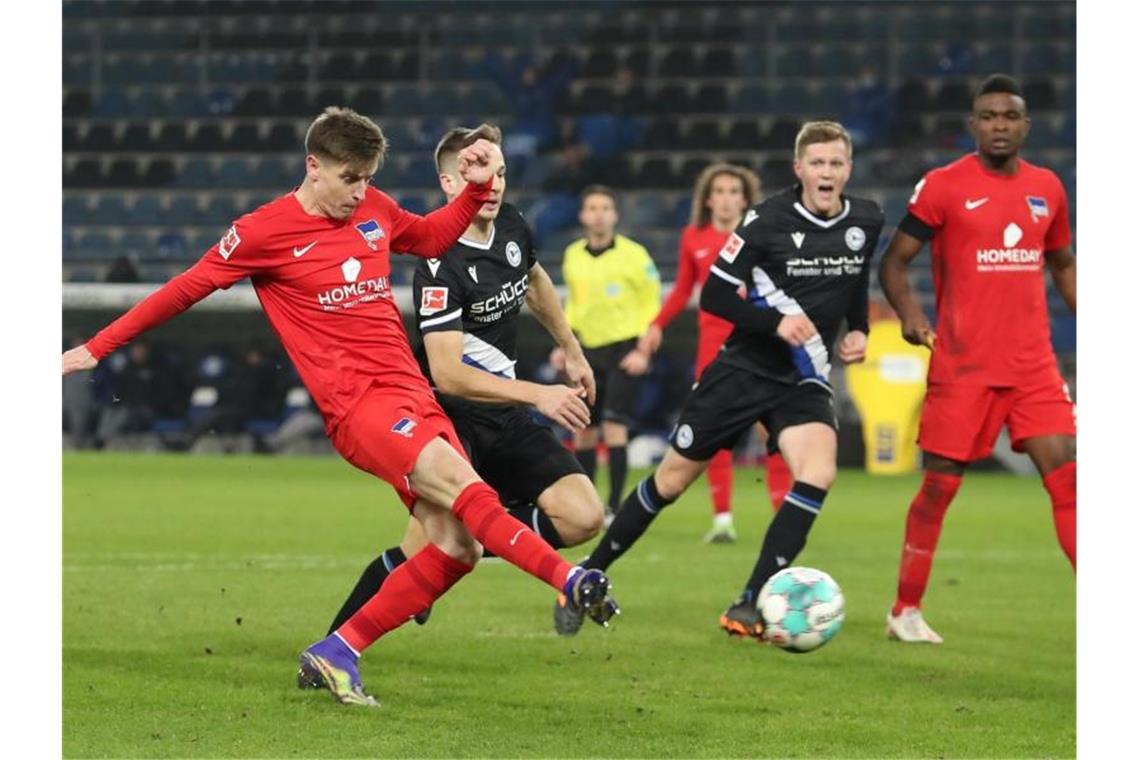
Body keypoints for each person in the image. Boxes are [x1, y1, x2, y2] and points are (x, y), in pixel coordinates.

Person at [61, 107, 619, 707]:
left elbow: (431, 237)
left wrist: (477, 187)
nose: (360, 192)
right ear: (314, 166)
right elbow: (181, 290)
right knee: (468, 488)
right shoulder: (261, 232)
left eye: (367, 178)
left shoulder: (374, 208)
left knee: (459, 547)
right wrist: (97, 347)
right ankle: (571, 578)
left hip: (413, 393)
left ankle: (337, 650)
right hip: (361, 408)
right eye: (350, 178)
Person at [553, 121, 883, 639]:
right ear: (799, 169)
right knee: (670, 483)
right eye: (816, 163)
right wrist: (776, 322)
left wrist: (859, 328)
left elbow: (856, 279)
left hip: (802, 375)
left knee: (817, 472)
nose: (827, 172)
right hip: (742, 370)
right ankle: (584, 576)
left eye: (836, 163)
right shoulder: (764, 221)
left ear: (848, 169)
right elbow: (715, 297)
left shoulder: (866, 218)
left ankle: (750, 603)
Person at [321, 123, 607, 637]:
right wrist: (540, 393)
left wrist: (570, 348)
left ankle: (463, 548)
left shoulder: (515, 224)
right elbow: (449, 374)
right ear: (450, 183)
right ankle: (334, 644)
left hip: (508, 414)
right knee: (422, 552)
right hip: (447, 420)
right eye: (479, 174)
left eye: (500, 173)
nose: (493, 185)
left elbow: (534, 278)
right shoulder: (436, 257)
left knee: (584, 516)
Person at [878, 74, 1076, 644]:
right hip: (963, 366)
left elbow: (1062, 264)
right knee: (940, 487)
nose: (998, 126)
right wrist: (913, 318)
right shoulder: (943, 186)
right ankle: (905, 609)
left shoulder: (1048, 189)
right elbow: (895, 262)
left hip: (1033, 366)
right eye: (988, 116)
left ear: (1025, 126)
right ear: (973, 125)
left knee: (1067, 480)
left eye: (1009, 116)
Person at [637, 162, 795, 544]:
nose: (726, 199)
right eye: (719, 192)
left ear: (745, 199)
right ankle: (723, 519)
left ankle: (781, 519)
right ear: (708, 200)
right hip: (713, 349)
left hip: (760, 344)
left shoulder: (760, 236)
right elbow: (682, 290)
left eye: (733, 192)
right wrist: (657, 324)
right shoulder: (694, 237)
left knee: (774, 431)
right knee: (712, 433)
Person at [555, 185, 661, 523]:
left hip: (624, 348)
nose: (598, 214)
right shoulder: (573, 254)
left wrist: (643, 349)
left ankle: (614, 506)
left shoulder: (635, 255)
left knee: (615, 426)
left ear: (615, 215)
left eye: (605, 208)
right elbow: (573, 304)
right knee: (584, 427)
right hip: (586, 349)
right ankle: (590, 504)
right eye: (592, 208)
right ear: (583, 215)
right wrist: (565, 345)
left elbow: (652, 304)